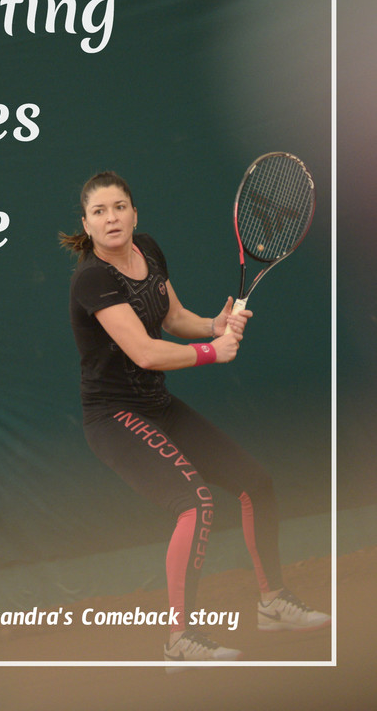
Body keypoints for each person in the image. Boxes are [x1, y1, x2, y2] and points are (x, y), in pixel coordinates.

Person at [59, 170, 330, 665]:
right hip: (113, 417)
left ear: (134, 213)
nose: (111, 218)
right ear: (87, 224)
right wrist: (212, 352)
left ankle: (272, 603)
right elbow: (144, 352)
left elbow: (172, 317)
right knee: (195, 503)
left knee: (255, 483)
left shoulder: (148, 249)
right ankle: (179, 641)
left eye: (119, 207)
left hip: (156, 405)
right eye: (99, 211)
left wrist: (213, 325)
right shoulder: (92, 280)